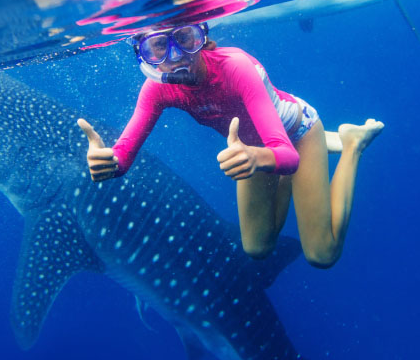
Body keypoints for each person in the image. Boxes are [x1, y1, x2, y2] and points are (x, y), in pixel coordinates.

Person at [77, 23, 383, 268]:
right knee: (257, 248)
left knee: (321, 255)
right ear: (144, 54)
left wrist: (256, 156)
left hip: (296, 134)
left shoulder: (235, 67)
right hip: (254, 149)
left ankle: (352, 143)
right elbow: (122, 159)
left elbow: (288, 156)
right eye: (159, 46)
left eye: (184, 38)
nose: (176, 55)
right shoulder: (156, 90)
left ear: (201, 35)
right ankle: (301, 166)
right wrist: (107, 164)